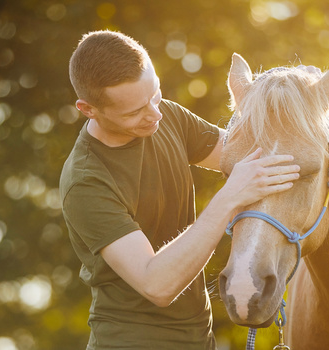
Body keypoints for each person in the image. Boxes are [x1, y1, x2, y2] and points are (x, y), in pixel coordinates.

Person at [59, 30, 300, 350]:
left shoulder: (165, 116)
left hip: (201, 340)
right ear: (88, 109)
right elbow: (157, 284)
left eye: (155, 95)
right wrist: (230, 197)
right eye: (134, 112)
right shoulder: (86, 181)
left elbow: (247, 157)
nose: (154, 114)